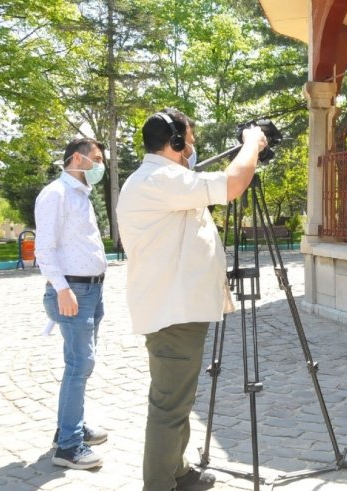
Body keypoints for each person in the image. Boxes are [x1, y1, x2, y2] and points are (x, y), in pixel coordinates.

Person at [116, 108, 267, 491]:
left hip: (178, 310)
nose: (194, 147)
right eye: (190, 140)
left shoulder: (164, 179)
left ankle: (178, 471)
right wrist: (251, 144)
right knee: (169, 406)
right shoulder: (160, 178)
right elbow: (233, 185)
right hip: (173, 313)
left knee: (178, 399)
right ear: (176, 142)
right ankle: (159, 484)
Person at [35, 137, 109, 469]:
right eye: (96, 158)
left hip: (92, 291)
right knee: (80, 366)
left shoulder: (80, 194)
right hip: (73, 292)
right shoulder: (56, 194)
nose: (100, 165)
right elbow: (44, 249)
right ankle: (68, 447)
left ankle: (70, 427)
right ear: (77, 159)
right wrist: (62, 289)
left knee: (79, 365)